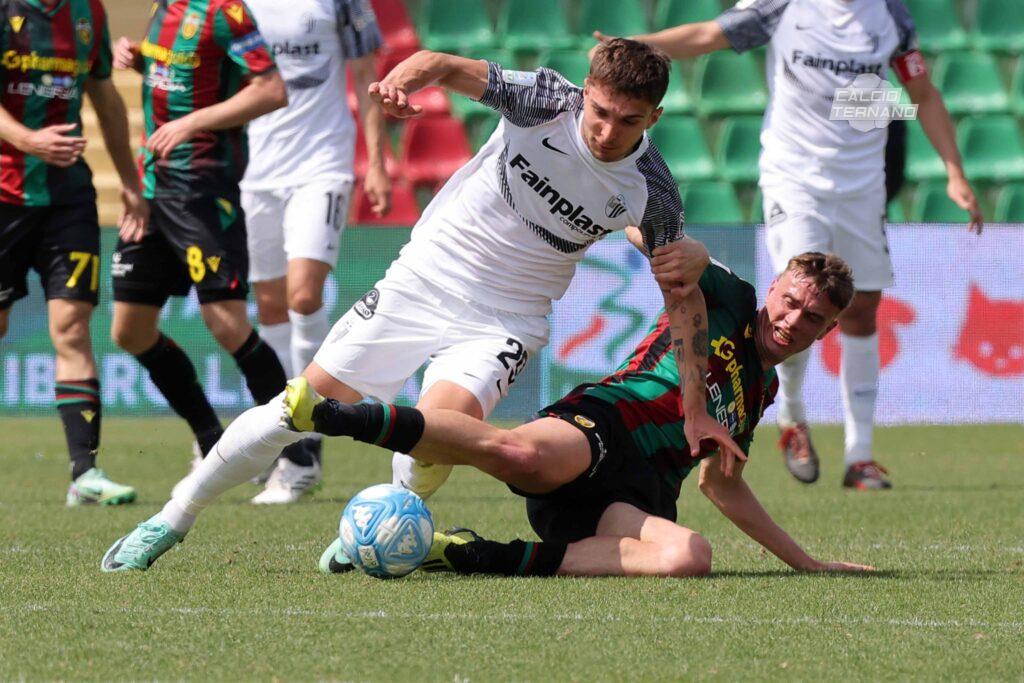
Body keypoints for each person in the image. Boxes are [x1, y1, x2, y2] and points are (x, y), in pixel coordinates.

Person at [99, 38, 722, 572]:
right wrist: (400, 82)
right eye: (601, 112)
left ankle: (381, 529)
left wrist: (694, 405)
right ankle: (171, 519)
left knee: (435, 438)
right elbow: (440, 63)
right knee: (295, 409)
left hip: (506, 320)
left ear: (655, 117)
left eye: (628, 122)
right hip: (423, 280)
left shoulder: (652, 189)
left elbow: (681, 294)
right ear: (586, 91)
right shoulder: (545, 102)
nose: (607, 132)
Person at [604, 0, 984, 489]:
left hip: (863, 185)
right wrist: (636, 48)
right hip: (795, 178)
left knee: (862, 309)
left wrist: (954, 171)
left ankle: (860, 455)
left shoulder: (892, 15)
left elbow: (922, 95)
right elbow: (708, 35)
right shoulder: (783, 5)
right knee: (802, 295)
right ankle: (793, 416)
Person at [310, 253, 871, 577]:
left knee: (688, 557)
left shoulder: (763, 388)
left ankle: (464, 553)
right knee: (519, 454)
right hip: (607, 423)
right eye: (790, 302)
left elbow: (721, 484)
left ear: (826, 331)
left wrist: (805, 562)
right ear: (773, 288)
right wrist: (687, 249)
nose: (792, 320)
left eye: (811, 317)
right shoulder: (730, 296)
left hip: (635, 497)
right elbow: (654, 239)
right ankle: (335, 416)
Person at [108, 0, 290, 473]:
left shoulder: (225, 12)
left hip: (202, 189)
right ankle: (211, 439)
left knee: (226, 322)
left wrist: (192, 121)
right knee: (129, 330)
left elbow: (272, 90)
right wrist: (138, 59)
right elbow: (182, 74)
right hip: (151, 189)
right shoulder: (163, 8)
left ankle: (290, 453)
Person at [241, 0, 391, 504]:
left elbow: (368, 75)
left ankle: (308, 437)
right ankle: (280, 440)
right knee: (269, 308)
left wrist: (376, 162)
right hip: (256, 169)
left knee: (303, 297)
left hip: (321, 164)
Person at [0, 0, 148, 504]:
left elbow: (106, 97)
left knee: (71, 325)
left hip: (69, 200)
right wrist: (28, 140)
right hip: (5, 196)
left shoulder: (88, 12)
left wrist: (130, 182)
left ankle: (85, 475)